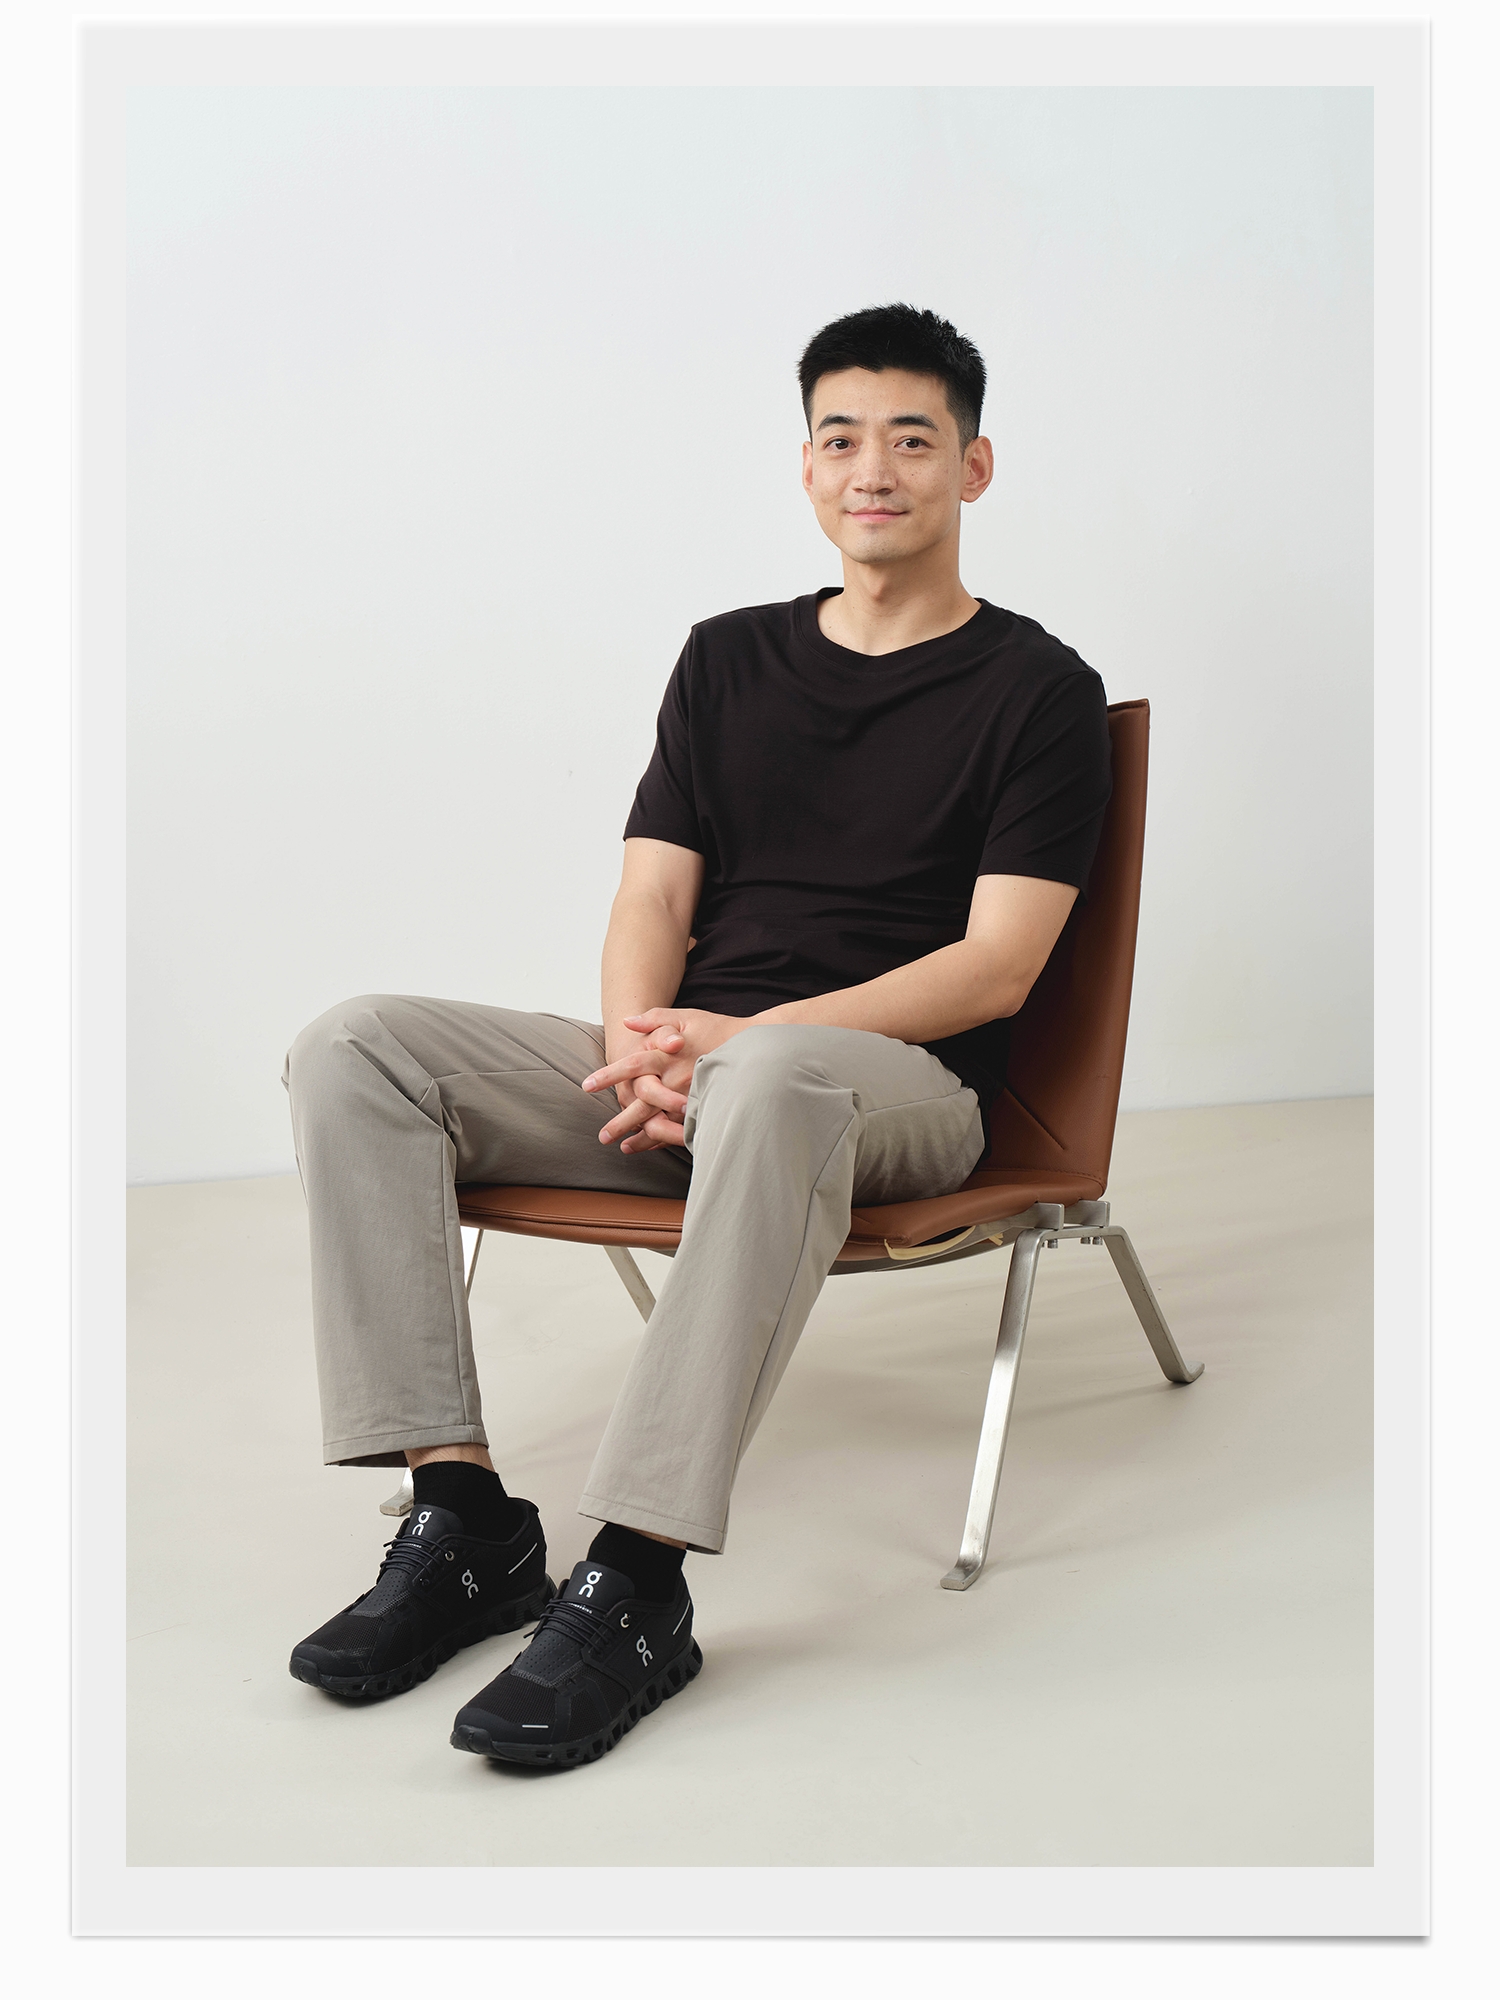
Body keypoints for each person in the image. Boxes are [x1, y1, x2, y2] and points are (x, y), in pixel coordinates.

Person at [283, 303, 1112, 1770]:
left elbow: (997, 969)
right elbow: (651, 895)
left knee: (775, 1074)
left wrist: (737, 1045)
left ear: (973, 468)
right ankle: (464, 1518)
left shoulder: (1039, 691)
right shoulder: (725, 659)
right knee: (357, 1046)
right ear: (806, 467)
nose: (873, 469)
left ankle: (638, 1580)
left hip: (892, 1090)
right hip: (696, 1075)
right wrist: (640, 1053)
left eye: (912, 440)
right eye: (840, 439)